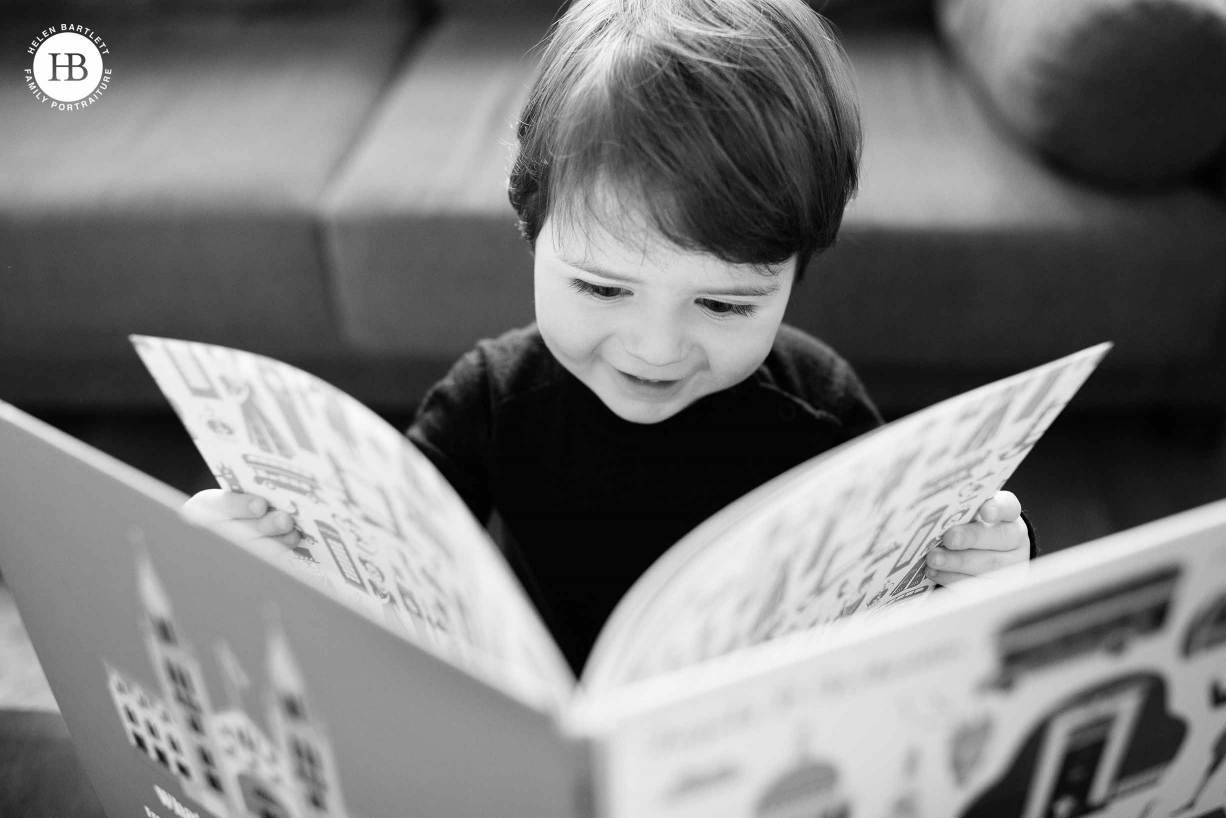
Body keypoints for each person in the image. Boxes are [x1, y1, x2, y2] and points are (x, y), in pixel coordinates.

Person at [184, 0, 1033, 674]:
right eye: (600, 286)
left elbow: (913, 611)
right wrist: (264, 550)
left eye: (726, 305)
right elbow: (381, 556)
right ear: (530, 222)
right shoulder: (492, 396)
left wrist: (984, 569)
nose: (655, 348)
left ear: (796, 271)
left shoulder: (821, 412)